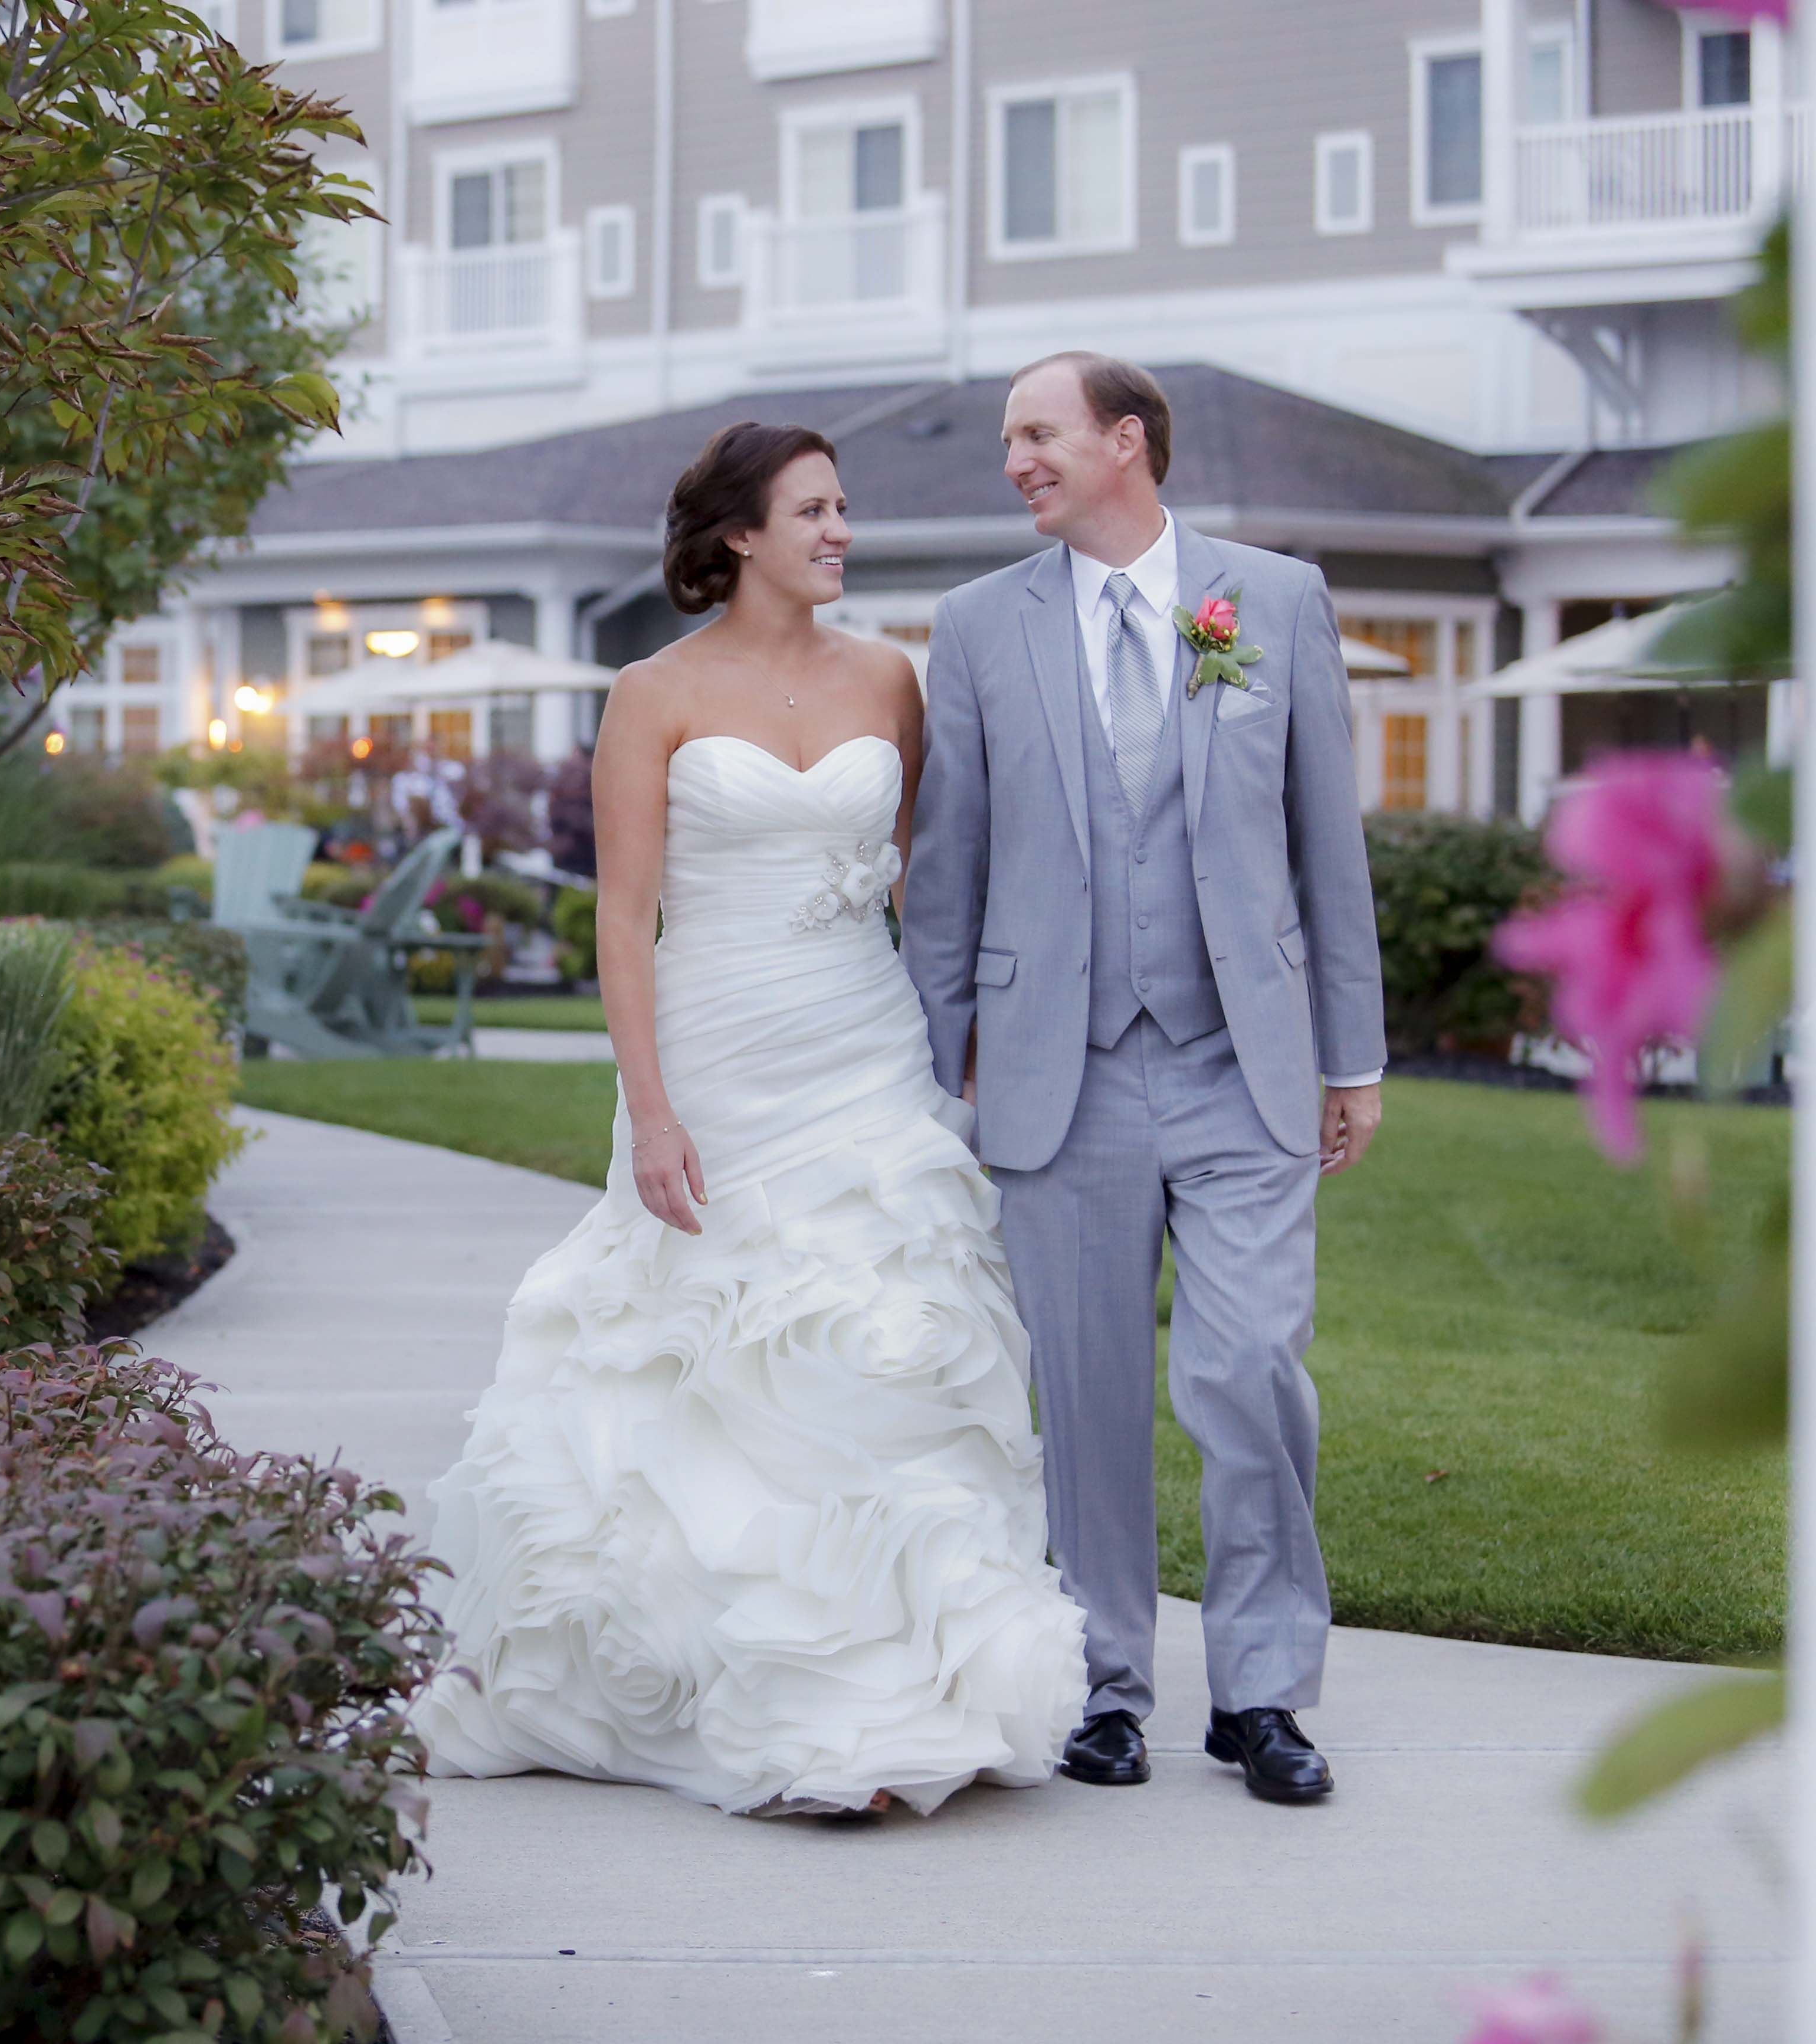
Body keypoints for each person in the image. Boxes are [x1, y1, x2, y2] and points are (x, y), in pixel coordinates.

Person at [412, 422, 1088, 1818]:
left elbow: (923, 885)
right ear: (739, 534)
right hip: (716, 1054)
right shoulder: (653, 692)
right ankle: (714, 1669)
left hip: (864, 1049)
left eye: (845, 508)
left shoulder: (890, 681)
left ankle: (897, 1682)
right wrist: (650, 1110)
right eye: (815, 510)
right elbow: (622, 914)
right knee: (703, 1354)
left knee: (894, 1335)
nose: (842, 531)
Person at [902, 353, 1386, 1805]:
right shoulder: (981, 625)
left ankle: (1263, 1693)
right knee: (1090, 1390)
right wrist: (937, 1080)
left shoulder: (1273, 597)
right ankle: (1105, 1681)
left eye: (1037, 434)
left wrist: (1350, 1055)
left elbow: (1326, 842)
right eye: (1007, 442)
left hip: (1247, 1062)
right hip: (1059, 1070)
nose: (1015, 462)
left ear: (1126, 441)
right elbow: (949, 871)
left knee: (1247, 1369)